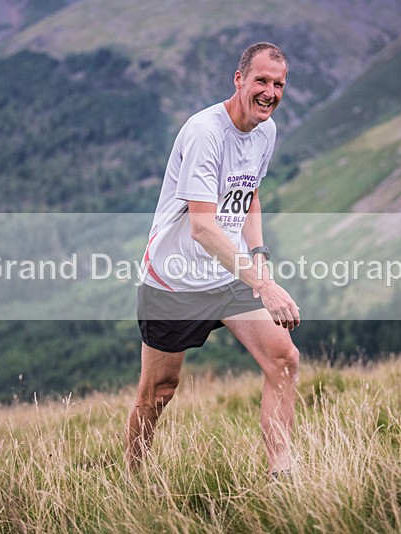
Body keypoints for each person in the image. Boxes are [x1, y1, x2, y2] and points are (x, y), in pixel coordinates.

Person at [125, 42, 301, 476]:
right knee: (159, 393)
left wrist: (258, 257)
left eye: (278, 84)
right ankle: (132, 477)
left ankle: (281, 474)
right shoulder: (205, 131)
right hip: (175, 280)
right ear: (238, 79)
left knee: (283, 359)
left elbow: (249, 194)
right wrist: (263, 284)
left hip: (229, 275)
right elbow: (203, 228)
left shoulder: (266, 130)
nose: (269, 93)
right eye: (261, 80)